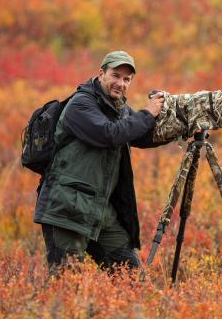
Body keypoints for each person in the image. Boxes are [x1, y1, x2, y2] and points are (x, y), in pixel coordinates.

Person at [33, 50, 165, 273]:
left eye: (126, 79)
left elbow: (140, 134)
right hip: (66, 209)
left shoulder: (118, 108)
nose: (121, 83)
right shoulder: (80, 104)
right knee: (66, 286)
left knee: (131, 277)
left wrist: (184, 124)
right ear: (101, 73)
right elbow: (109, 134)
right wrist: (146, 114)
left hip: (99, 210)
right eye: (115, 75)